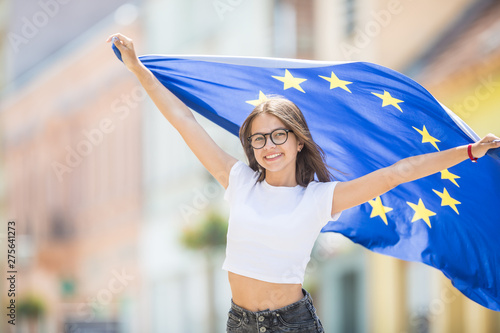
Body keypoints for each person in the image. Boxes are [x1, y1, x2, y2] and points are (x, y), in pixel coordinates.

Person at [107, 33, 500, 333]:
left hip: (292, 324)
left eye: (279, 135)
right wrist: (139, 69)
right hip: (239, 323)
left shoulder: (320, 198)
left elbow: (398, 173)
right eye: (258, 139)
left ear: (298, 141)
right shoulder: (238, 180)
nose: (268, 146)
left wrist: (467, 152)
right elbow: (184, 121)